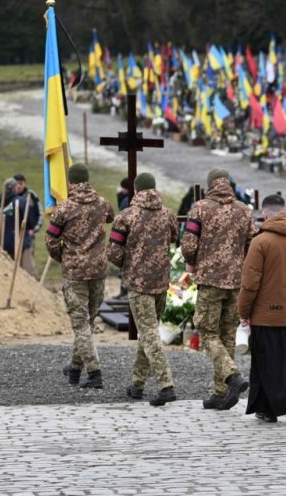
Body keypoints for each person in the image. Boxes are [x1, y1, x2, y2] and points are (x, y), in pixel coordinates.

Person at [238, 194, 286, 423]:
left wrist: (244, 311)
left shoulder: (260, 243)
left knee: (266, 364)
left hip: (265, 315)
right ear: (285, 211)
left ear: (265, 214)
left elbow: (250, 283)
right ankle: (271, 405)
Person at [181, 168, 253, 410]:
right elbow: (252, 244)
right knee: (227, 335)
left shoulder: (200, 208)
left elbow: (189, 244)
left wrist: (193, 260)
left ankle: (232, 376)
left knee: (207, 333)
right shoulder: (244, 210)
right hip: (236, 281)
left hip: (210, 280)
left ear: (210, 184)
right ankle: (221, 393)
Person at [108, 173, 178, 406]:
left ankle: (165, 384)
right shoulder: (167, 214)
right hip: (160, 281)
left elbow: (114, 253)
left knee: (148, 333)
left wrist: (129, 265)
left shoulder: (126, 216)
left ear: (136, 191)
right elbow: (175, 238)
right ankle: (137, 383)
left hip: (138, 284)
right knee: (148, 332)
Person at [45, 164, 114, 389]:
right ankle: (74, 368)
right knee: (88, 321)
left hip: (75, 273)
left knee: (80, 324)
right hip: (99, 270)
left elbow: (51, 240)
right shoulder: (102, 203)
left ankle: (95, 373)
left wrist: (64, 257)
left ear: (70, 182)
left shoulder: (64, 209)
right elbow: (110, 217)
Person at [0, 178, 39, 276]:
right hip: (21, 243)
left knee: (8, 274)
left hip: (3, 242)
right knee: (28, 274)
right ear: (14, 189)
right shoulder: (21, 201)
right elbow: (30, 223)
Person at [14, 173, 44, 277]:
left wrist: (34, 229)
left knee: (29, 258)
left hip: (29, 234)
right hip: (15, 234)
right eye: (16, 184)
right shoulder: (12, 197)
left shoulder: (31, 195)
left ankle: (31, 278)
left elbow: (40, 213)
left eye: (21, 183)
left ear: (24, 183)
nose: (19, 186)